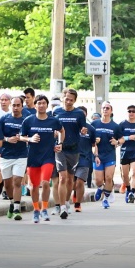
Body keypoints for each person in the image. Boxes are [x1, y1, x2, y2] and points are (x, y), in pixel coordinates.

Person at [20, 94, 64, 223]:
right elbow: (21, 137)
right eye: (38, 103)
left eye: (43, 103)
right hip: (33, 157)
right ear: (35, 105)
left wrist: (60, 144)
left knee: (45, 183)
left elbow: (62, 131)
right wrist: (30, 139)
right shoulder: (28, 120)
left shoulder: (53, 120)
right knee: (34, 186)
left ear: (47, 105)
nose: (41, 105)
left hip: (48, 157)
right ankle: (36, 210)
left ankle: (44, 208)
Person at [51, 88, 86, 219]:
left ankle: (66, 202)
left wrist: (83, 131)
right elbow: (52, 126)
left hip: (74, 149)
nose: (69, 102)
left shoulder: (79, 114)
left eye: (71, 100)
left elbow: (84, 128)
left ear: (75, 100)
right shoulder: (57, 111)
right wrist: (53, 133)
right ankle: (61, 206)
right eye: (67, 99)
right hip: (60, 148)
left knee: (71, 179)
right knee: (62, 177)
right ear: (62, 98)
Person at [0, 96, 28, 220]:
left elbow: (29, 136)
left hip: (21, 154)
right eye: (14, 105)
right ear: (11, 105)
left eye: (18, 105)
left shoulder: (26, 120)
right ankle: (11, 202)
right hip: (6, 155)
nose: (15, 108)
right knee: (8, 183)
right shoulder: (4, 119)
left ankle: (16, 209)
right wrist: (7, 139)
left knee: (17, 181)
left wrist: (22, 138)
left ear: (22, 106)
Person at [91, 101, 122, 209]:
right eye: (103, 108)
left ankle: (105, 199)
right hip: (98, 156)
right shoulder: (94, 124)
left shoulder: (115, 126)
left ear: (111, 111)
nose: (105, 110)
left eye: (107, 108)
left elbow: (122, 139)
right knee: (99, 180)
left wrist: (117, 142)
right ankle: (100, 188)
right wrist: (94, 141)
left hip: (110, 155)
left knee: (108, 178)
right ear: (101, 110)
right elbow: (88, 138)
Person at [72, 106, 96, 212]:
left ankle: (78, 203)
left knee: (80, 182)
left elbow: (94, 144)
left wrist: (96, 156)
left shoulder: (91, 129)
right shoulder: (71, 126)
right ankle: (74, 194)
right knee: (71, 183)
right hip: (71, 157)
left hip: (85, 158)